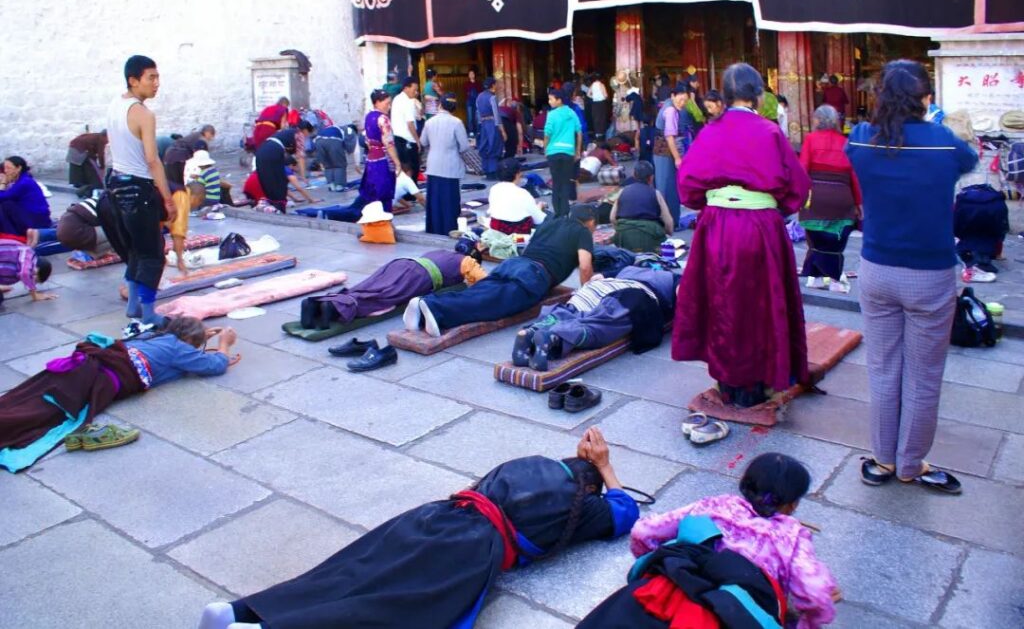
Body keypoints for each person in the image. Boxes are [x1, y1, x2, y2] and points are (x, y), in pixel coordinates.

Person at [199, 428, 636, 629]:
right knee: (394, 608)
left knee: (349, 572)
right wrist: (606, 467)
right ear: (591, 487)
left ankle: (239, 611)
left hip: (431, 517)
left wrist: (587, 461)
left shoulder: (528, 465)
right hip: (469, 549)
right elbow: (626, 511)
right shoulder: (585, 508)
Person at [846, 60, 978, 495]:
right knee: (923, 374)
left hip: (877, 269)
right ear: (925, 98)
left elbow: (854, 153)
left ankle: (882, 458)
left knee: (884, 369)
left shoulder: (863, 138)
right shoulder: (942, 143)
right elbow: (970, 159)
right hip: (929, 274)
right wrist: (934, 121)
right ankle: (910, 463)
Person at [673, 63, 811, 409]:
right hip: (761, 227)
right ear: (758, 94)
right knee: (763, 304)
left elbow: (687, 185)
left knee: (723, 303)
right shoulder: (769, 132)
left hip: (717, 225)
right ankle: (764, 379)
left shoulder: (710, 132)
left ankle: (728, 382)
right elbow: (797, 185)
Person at [583, 453, 838, 629]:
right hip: (732, 612)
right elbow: (815, 594)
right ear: (792, 504)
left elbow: (643, 532)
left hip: (667, 591)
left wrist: (655, 564)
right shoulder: (791, 536)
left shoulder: (714, 506)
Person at [0, 317, 239, 473]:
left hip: (84, 367)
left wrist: (200, 336)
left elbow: (179, 347)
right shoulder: (179, 349)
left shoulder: (153, 336)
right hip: (100, 380)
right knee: (46, 412)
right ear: (187, 342)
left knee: (29, 396)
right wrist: (224, 345)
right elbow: (216, 365)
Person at [408, 204, 597, 336]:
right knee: (492, 303)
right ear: (589, 222)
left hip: (514, 264)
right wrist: (588, 295)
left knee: (480, 292)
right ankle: (434, 308)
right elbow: (585, 265)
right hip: (534, 274)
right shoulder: (582, 232)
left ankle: (425, 306)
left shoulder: (550, 223)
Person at [103, 55, 178, 328]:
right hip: (138, 188)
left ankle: (134, 304)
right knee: (152, 253)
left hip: (116, 187)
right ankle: (148, 313)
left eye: (157, 77)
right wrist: (168, 199)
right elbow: (152, 159)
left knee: (135, 249)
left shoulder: (115, 105)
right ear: (133, 81)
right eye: (151, 78)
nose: (157, 83)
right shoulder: (144, 114)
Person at [513, 266, 675, 371]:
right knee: (598, 325)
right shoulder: (672, 277)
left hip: (600, 287)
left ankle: (533, 331)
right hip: (631, 294)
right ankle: (553, 338)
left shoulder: (628, 267)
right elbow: (684, 293)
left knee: (570, 311)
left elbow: (597, 277)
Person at [302, 248, 486, 331]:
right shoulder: (468, 262)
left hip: (401, 264)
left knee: (367, 287)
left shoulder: (440, 252)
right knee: (380, 297)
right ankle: (335, 307)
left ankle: (319, 303)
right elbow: (485, 282)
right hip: (416, 277)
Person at [798, 105, 861, 292]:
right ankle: (833, 280)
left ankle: (817, 277)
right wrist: (858, 203)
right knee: (835, 240)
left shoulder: (810, 140)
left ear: (817, 120)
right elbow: (854, 177)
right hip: (842, 199)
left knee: (816, 239)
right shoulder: (845, 142)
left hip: (816, 198)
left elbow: (802, 170)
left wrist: (799, 198)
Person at [421, 92, 470, 235]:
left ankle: (434, 229)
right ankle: (449, 229)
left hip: (434, 165)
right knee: (450, 201)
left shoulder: (429, 122)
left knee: (435, 201)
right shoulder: (457, 122)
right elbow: (464, 146)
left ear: (440, 104)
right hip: (451, 166)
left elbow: (423, 142)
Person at [247, 122, 318, 212]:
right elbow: (300, 157)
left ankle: (268, 205)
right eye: (308, 133)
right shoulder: (299, 134)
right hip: (272, 152)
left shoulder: (286, 132)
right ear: (305, 130)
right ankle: (279, 208)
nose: (307, 136)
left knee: (269, 180)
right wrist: (303, 176)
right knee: (279, 180)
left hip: (261, 152)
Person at [611, 161, 674, 253]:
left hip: (624, 237)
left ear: (634, 175)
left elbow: (612, 218)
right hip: (650, 237)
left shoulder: (623, 191)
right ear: (651, 178)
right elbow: (669, 222)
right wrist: (668, 233)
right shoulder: (656, 193)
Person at [653, 87, 691, 228]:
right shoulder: (671, 111)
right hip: (666, 152)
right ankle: (670, 222)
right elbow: (670, 137)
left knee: (665, 185)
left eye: (685, 101)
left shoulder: (668, 104)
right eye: (681, 99)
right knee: (668, 188)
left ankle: (667, 221)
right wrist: (677, 158)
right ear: (673, 96)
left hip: (660, 151)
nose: (683, 103)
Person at [362, 89, 404, 213]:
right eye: (387, 103)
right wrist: (397, 162)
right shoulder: (383, 119)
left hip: (371, 160)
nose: (389, 107)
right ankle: (385, 224)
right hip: (383, 160)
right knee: (385, 194)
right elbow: (389, 143)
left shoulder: (369, 117)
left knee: (373, 195)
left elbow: (367, 140)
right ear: (377, 102)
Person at [544, 86, 583, 217]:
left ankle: (557, 212)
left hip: (553, 152)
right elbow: (579, 132)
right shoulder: (572, 113)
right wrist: (577, 151)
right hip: (568, 152)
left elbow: (547, 133)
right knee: (565, 182)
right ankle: (565, 211)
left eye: (551, 99)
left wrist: (545, 148)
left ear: (559, 100)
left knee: (556, 182)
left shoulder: (552, 114)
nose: (549, 102)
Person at [488, 158, 547, 235]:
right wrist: (539, 207)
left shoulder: (494, 189)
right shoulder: (523, 193)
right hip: (519, 234)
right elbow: (539, 219)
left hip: (497, 231)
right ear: (517, 174)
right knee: (551, 219)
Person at [0, 156, 51, 238]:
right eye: (5, 168)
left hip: (37, 220)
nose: (6, 171)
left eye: (8, 168)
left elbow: (3, 197)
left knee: (6, 204)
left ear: (18, 168)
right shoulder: (21, 180)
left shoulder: (24, 182)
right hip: (29, 216)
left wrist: (3, 183)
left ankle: (12, 235)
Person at [55, 195, 116, 260]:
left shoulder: (95, 201)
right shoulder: (106, 205)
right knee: (115, 233)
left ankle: (90, 251)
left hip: (64, 235)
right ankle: (96, 253)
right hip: (76, 233)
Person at [165, 182, 206, 274]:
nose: (197, 205)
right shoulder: (182, 197)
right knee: (151, 261)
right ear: (195, 197)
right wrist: (180, 260)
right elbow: (177, 232)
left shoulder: (177, 191)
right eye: (200, 201)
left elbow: (171, 224)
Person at [0, 238, 54, 304]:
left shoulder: (28, 255)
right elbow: (25, 273)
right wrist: (35, 295)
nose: (32, 282)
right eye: (35, 280)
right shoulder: (27, 257)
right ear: (36, 271)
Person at [475, 77, 506, 180]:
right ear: (492, 85)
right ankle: (493, 171)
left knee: (485, 146)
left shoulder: (479, 97)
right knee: (494, 146)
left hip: (483, 124)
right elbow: (496, 115)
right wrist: (502, 130)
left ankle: (487, 170)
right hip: (492, 124)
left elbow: (478, 113)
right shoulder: (492, 97)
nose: (497, 86)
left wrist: (480, 126)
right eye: (496, 84)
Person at [314, 122, 358, 192]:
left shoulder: (335, 127)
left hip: (318, 141)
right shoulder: (350, 130)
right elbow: (350, 146)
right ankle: (339, 186)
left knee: (328, 165)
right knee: (339, 165)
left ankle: (331, 186)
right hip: (333, 141)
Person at [391, 77, 422, 175]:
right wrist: (417, 141)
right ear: (406, 88)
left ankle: (406, 188)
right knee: (413, 168)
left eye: (417, 90)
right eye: (414, 89)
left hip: (398, 137)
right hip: (408, 139)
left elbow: (419, 116)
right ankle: (412, 189)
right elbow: (410, 124)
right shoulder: (407, 101)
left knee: (404, 167)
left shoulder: (397, 98)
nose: (416, 92)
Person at [66, 130, 108, 197]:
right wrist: (102, 166)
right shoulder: (101, 139)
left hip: (75, 147)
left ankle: (81, 185)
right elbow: (101, 154)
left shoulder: (97, 136)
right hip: (79, 149)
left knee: (79, 168)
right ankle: (84, 187)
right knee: (88, 168)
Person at [590, 72, 610, 141]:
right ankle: (602, 135)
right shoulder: (601, 85)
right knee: (602, 118)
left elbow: (588, 94)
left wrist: (594, 97)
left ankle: (597, 134)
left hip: (594, 104)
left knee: (596, 118)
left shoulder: (592, 85)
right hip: (601, 104)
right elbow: (606, 95)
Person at [464, 68, 482, 136]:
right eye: (470, 74)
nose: (471, 75)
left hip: (477, 102)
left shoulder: (478, 83)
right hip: (469, 102)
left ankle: (477, 130)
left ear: (475, 75)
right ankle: (470, 131)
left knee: (477, 116)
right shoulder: (466, 84)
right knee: (470, 117)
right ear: (468, 75)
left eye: (472, 74)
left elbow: (480, 93)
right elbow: (467, 92)